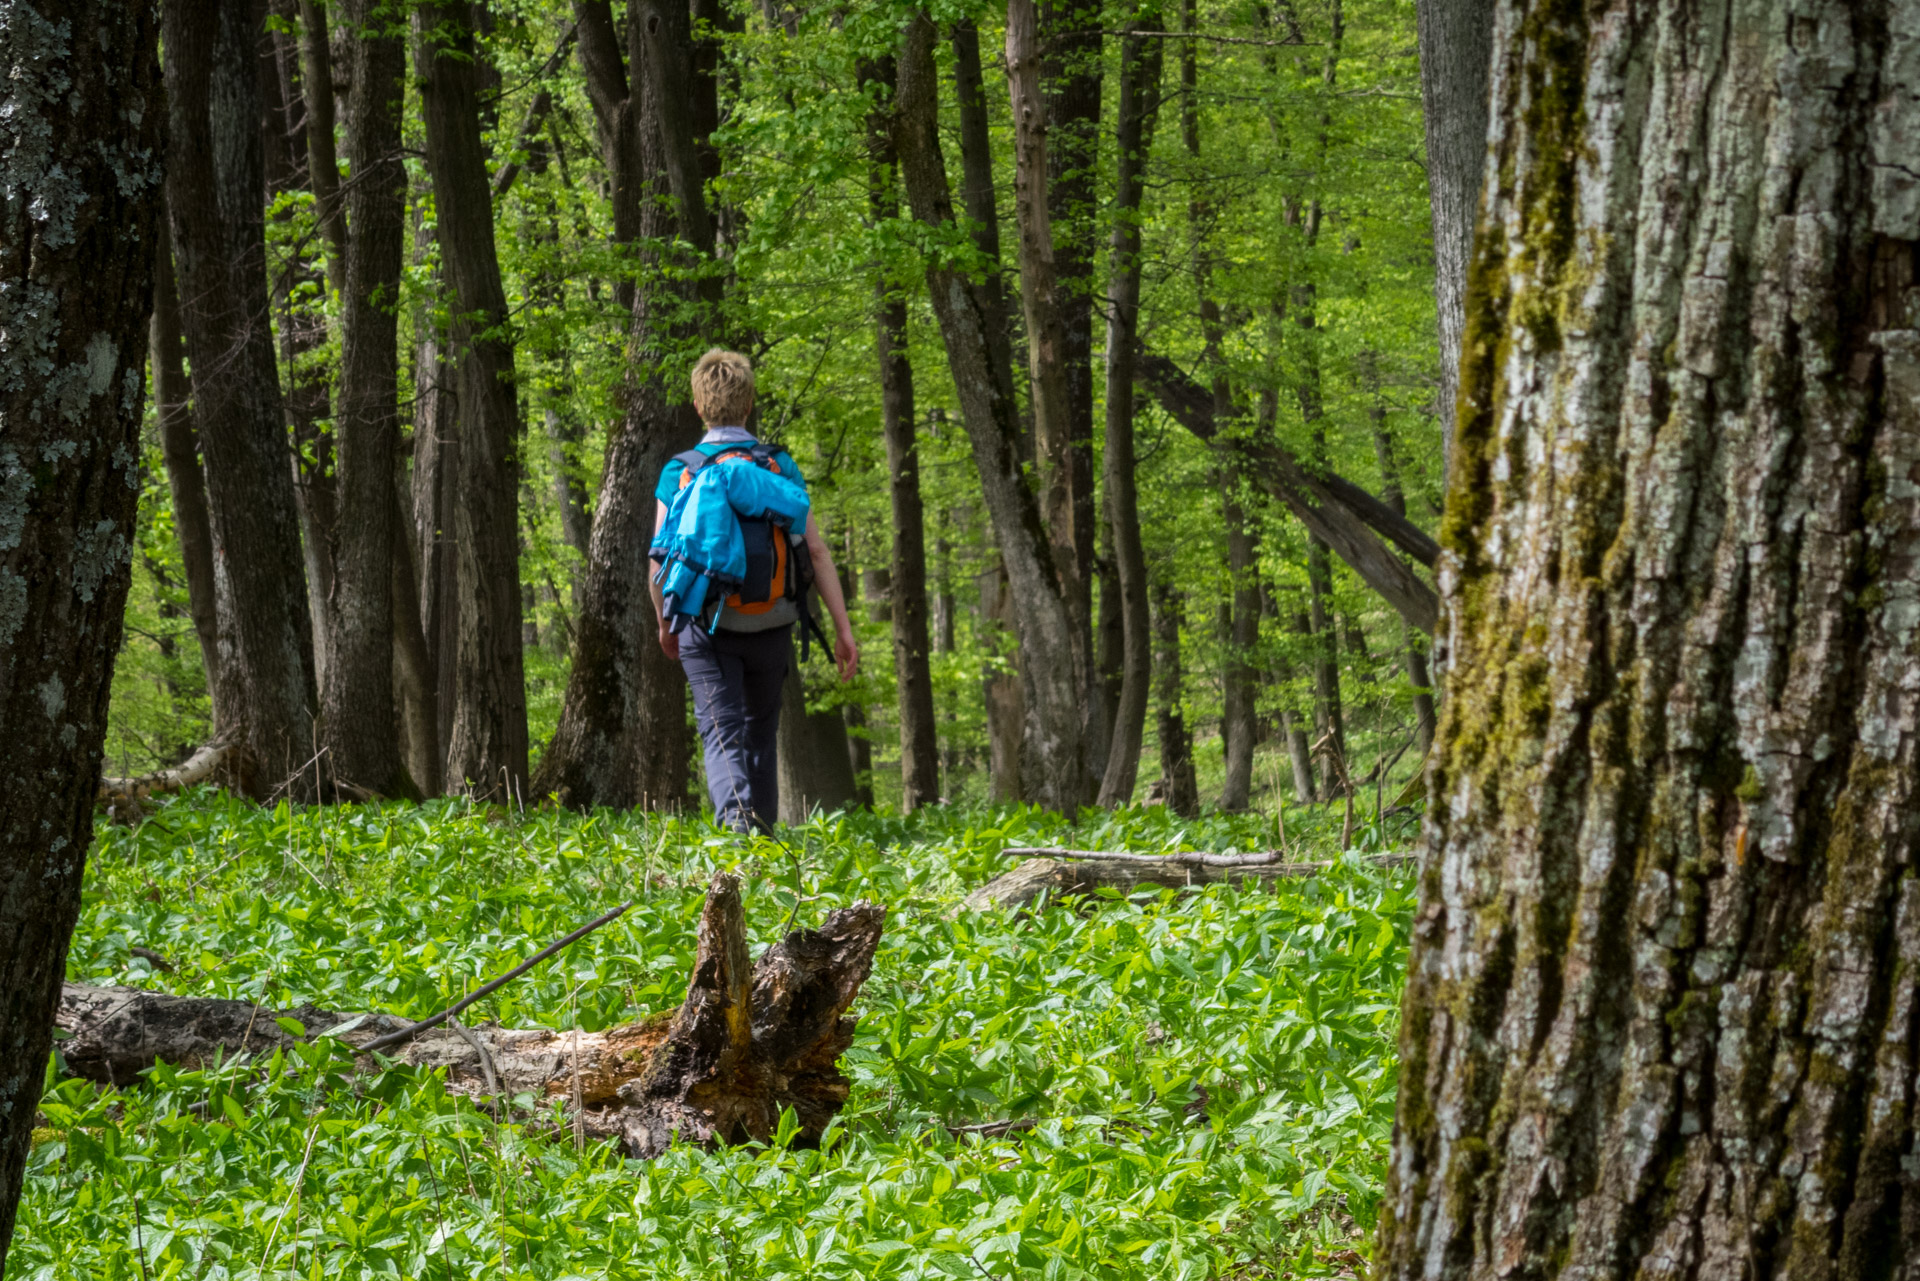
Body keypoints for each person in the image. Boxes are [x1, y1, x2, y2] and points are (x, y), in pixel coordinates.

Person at [651, 349, 858, 834]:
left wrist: (666, 621)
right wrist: (843, 630)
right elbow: (818, 551)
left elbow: (658, 560)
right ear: (749, 406)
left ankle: (737, 835)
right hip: (772, 620)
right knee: (761, 734)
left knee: (721, 732)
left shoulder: (681, 470)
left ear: (699, 408)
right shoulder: (778, 466)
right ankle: (762, 845)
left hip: (705, 624)